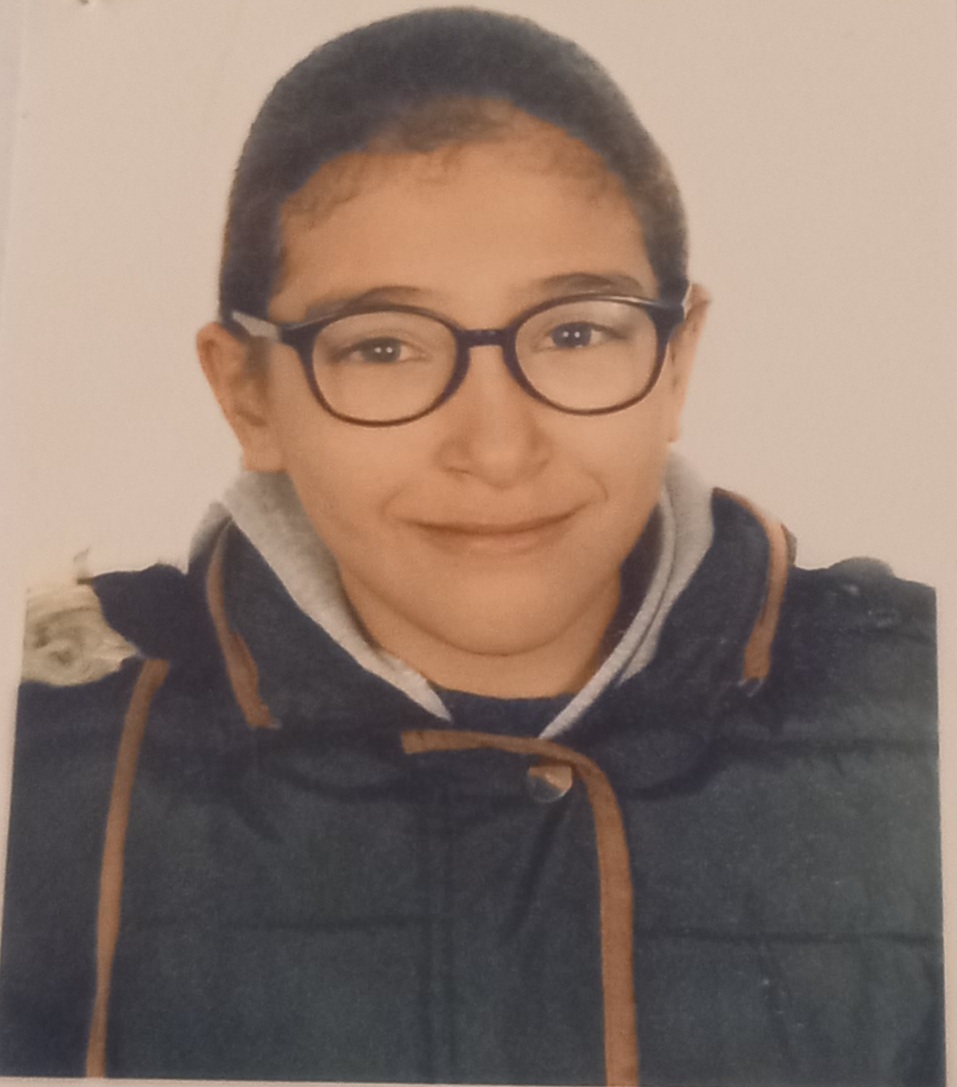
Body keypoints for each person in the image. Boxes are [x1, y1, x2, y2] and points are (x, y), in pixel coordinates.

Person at [0, 8, 941, 1085]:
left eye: (575, 332)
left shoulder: (915, 705)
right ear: (248, 393)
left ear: (677, 362)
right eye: (383, 347)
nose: (496, 450)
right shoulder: (48, 752)